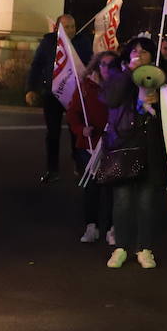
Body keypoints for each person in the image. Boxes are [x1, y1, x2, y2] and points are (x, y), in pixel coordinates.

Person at [100, 37, 165, 270]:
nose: (139, 55)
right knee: (123, 201)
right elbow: (110, 98)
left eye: (144, 52)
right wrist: (129, 73)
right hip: (124, 146)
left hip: (151, 148)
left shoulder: (161, 81)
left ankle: (144, 247)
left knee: (147, 202)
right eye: (135, 51)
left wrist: (162, 100)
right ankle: (121, 247)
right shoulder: (119, 78)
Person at [26, 14, 84, 183]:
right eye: (66, 27)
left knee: (77, 131)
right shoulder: (48, 43)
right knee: (53, 133)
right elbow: (36, 66)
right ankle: (52, 169)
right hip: (52, 95)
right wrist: (31, 89)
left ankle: (79, 164)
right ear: (58, 28)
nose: (71, 30)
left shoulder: (82, 42)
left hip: (75, 94)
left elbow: (89, 64)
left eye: (73, 26)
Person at [66, 50, 115, 245]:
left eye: (111, 65)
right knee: (91, 188)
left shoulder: (118, 87)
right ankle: (91, 226)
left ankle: (112, 228)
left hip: (111, 145)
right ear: (96, 66)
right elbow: (72, 113)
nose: (106, 68)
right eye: (103, 64)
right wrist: (80, 129)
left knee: (111, 189)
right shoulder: (85, 87)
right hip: (89, 146)